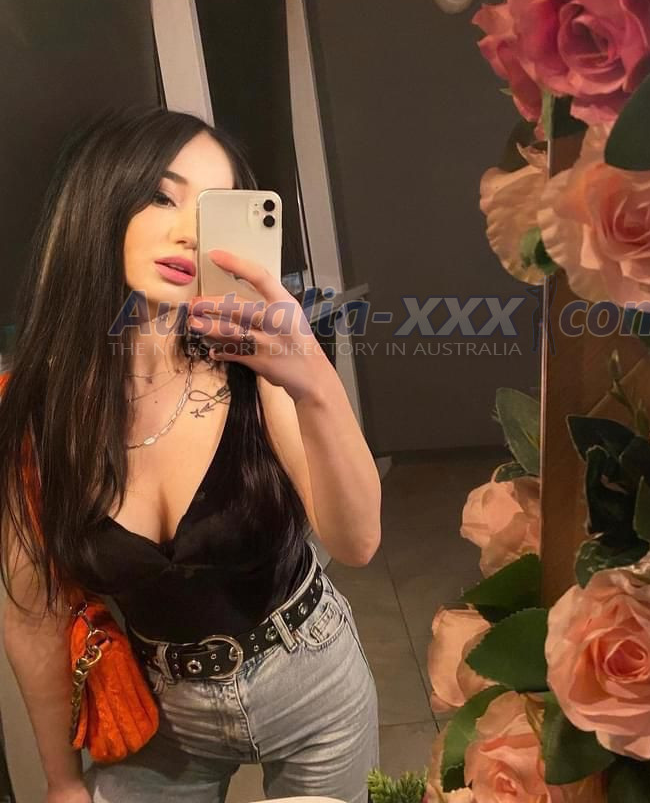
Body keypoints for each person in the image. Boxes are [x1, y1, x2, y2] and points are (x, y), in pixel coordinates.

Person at [0, 107, 381, 803]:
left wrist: (313, 382)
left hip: (309, 675)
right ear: (99, 200)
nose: (190, 233)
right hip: (160, 714)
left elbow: (356, 543)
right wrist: (61, 781)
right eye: (161, 196)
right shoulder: (34, 410)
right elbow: (31, 611)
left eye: (213, 212)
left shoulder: (256, 362)